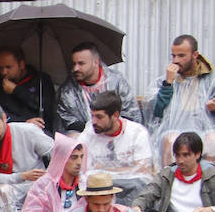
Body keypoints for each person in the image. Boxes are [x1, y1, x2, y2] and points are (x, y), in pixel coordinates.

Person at [149, 34, 215, 166]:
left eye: (181, 56)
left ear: (195, 55)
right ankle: (168, 182)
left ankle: (210, 184)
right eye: (173, 56)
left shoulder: (210, 80)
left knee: (213, 140)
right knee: (171, 140)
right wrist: (168, 83)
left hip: (205, 131)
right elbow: (156, 113)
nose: (176, 60)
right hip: (174, 131)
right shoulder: (165, 81)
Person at [56, 42, 140, 135]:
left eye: (81, 63)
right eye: (74, 63)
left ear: (96, 62)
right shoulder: (68, 90)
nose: (76, 68)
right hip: (84, 135)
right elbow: (67, 120)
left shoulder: (117, 82)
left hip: (116, 134)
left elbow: (131, 115)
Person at [78, 90, 155, 183]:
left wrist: (103, 169)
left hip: (131, 187)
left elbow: (144, 171)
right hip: (98, 187)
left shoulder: (137, 133)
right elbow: (82, 171)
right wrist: (125, 170)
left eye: (99, 117)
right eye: (92, 116)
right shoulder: (89, 133)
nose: (94, 122)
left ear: (115, 115)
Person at [0, 45, 56, 134]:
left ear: (21, 65)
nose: (4, 72)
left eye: (8, 67)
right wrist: (24, 123)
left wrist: (17, 91)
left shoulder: (41, 81)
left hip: (40, 133)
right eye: (1, 68)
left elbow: (48, 109)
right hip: (9, 133)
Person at [0, 103, 54, 186]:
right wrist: (22, 176)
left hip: (37, 183)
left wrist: (48, 176)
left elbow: (55, 153)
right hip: (7, 186)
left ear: (4, 118)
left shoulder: (28, 131)